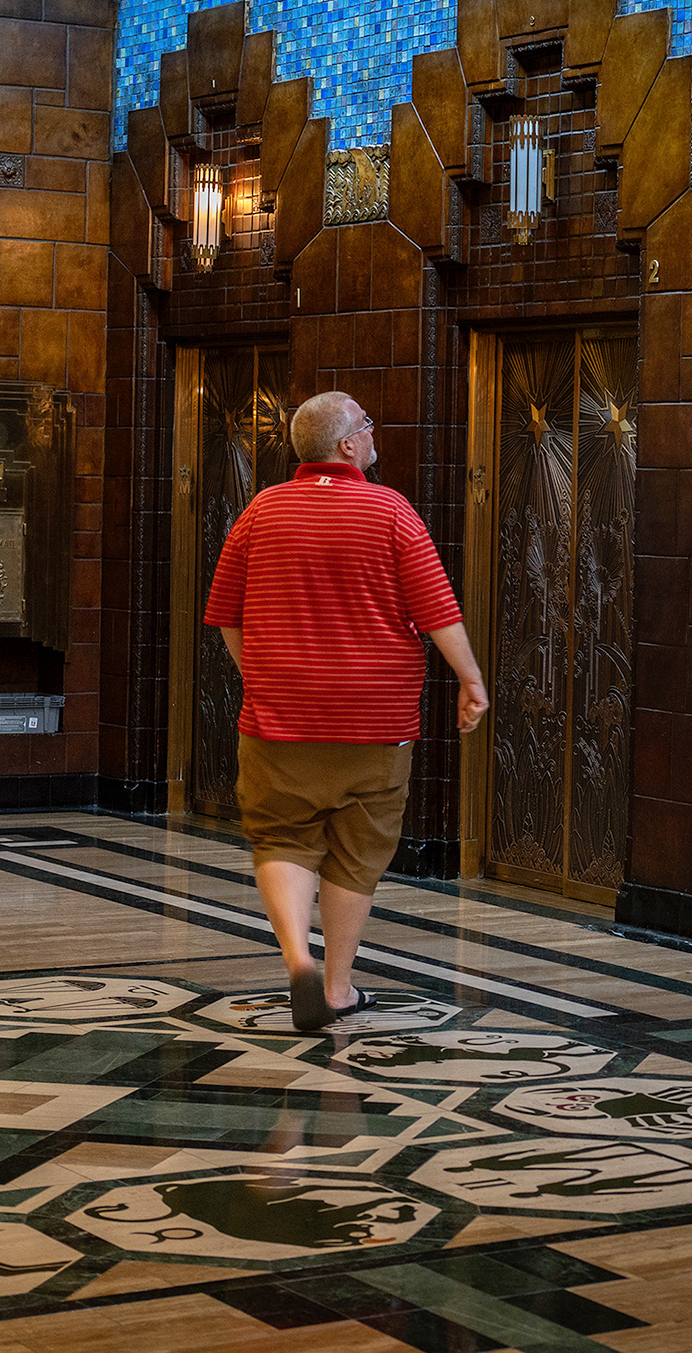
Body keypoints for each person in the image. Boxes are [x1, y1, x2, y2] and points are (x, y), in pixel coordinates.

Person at [202, 390, 489, 1032]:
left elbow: (223, 612)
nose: (371, 431)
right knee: (357, 852)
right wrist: (470, 677)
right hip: (375, 721)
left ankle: (298, 960)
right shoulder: (391, 511)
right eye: (366, 422)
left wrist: (264, 676)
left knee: (281, 837)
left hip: (279, 720)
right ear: (348, 445)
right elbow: (436, 609)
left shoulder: (261, 510)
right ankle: (336, 987)